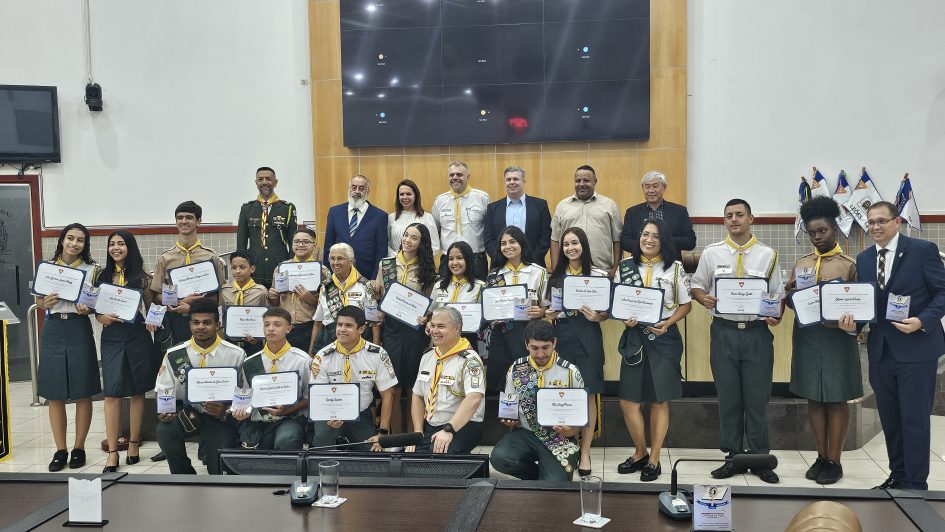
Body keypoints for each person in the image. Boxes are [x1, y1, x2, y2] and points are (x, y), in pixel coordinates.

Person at [839, 201, 945, 491]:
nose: (875, 227)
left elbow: (942, 293)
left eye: (881, 221)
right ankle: (897, 476)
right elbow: (867, 303)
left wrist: (923, 321)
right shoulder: (863, 259)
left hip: (917, 349)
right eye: (871, 222)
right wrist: (853, 327)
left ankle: (915, 484)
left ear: (897, 222)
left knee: (914, 420)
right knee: (891, 420)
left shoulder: (922, 251)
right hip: (882, 351)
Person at [690, 199, 783, 484]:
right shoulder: (711, 253)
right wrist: (701, 297)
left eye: (739, 215)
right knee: (729, 398)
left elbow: (777, 295)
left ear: (751, 218)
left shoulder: (768, 255)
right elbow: (696, 285)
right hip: (724, 332)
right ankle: (732, 457)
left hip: (756, 334)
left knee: (756, 399)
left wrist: (775, 315)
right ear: (724, 221)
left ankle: (759, 458)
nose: (734, 219)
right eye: (729, 215)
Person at [785, 196, 862, 485]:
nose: (817, 237)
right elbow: (790, 296)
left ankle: (835, 461)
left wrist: (850, 319)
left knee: (836, 398)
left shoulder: (849, 264)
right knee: (814, 398)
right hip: (807, 337)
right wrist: (794, 298)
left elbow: (862, 303)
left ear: (834, 229)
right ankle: (820, 456)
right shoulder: (802, 262)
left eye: (823, 231)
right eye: (812, 233)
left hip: (837, 339)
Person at [614, 218, 691, 482]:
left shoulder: (675, 269)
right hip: (635, 338)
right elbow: (617, 301)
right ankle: (639, 452)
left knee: (659, 400)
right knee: (628, 401)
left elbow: (685, 304)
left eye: (655, 236)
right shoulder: (625, 267)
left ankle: (655, 458)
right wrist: (624, 317)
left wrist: (668, 322)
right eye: (644, 234)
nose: (648, 240)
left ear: (663, 241)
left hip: (664, 339)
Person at [35, 223, 101, 472]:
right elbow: (39, 300)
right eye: (70, 238)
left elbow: (96, 301)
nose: (74, 243)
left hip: (78, 327)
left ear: (86, 244)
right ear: (62, 240)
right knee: (55, 392)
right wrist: (44, 302)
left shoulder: (93, 270)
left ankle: (79, 447)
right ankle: (60, 449)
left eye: (80, 240)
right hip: (53, 328)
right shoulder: (47, 268)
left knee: (83, 390)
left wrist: (90, 308)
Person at [154, 298, 247, 475]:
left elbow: (245, 395)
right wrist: (163, 410)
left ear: (218, 324)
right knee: (165, 431)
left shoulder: (235, 354)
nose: (200, 327)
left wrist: (227, 409)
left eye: (207, 322)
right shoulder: (175, 354)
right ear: (189, 325)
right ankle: (184, 476)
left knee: (217, 472)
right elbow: (163, 388)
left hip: (221, 416)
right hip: (189, 412)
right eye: (195, 323)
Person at [544, 227, 606, 477]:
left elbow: (607, 312)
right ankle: (566, 444)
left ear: (584, 245)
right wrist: (549, 314)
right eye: (566, 244)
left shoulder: (599, 275)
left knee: (588, 393)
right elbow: (549, 307)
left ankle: (585, 451)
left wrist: (599, 316)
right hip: (564, 338)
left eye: (575, 243)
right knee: (564, 392)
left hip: (588, 338)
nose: (571, 248)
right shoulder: (556, 277)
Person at [490, 320, 586, 481]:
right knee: (500, 458)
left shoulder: (570, 372)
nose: (540, 354)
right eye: (534, 348)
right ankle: (539, 477)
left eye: (545, 347)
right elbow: (509, 405)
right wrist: (508, 419)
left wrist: (571, 431)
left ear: (554, 342)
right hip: (526, 433)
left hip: (559, 437)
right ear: (526, 344)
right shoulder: (516, 369)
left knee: (555, 483)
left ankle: (549, 476)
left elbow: (579, 417)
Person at [95, 231, 158, 473]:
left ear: (129, 247)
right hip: (111, 336)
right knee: (111, 393)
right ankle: (112, 451)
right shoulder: (102, 276)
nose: (116, 248)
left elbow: (154, 307)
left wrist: (154, 319)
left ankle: (133, 444)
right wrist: (101, 316)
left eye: (121, 243)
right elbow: (93, 308)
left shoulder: (142, 276)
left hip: (137, 335)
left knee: (137, 390)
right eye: (112, 244)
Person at [375, 223, 438, 432]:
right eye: (405, 235)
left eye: (414, 237)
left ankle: (413, 437)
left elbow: (429, 305)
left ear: (422, 243)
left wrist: (426, 317)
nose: (407, 240)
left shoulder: (427, 268)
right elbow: (379, 296)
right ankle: (394, 439)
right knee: (392, 386)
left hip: (415, 332)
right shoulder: (386, 264)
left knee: (413, 387)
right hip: (391, 330)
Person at [310, 306, 398, 449]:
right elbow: (318, 395)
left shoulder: (377, 354)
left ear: (361, 329)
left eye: (348, 325)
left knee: (370, 453)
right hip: (329, 413)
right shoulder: (322, 356)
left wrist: (382, 433)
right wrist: (330, 415)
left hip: (361, 414)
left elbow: (388, 394)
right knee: (322, 444)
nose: (342, 329)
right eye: (339, 324)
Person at [408, 307, 485, 453]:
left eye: (441, 326)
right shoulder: (428, 356)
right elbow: (417, 395)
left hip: (463, 425)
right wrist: (417, 432)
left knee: (441, 458)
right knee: (410, 460)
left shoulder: (470, 360)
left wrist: (449, 430)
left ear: (457, 329)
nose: (434, 330)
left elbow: (474, 398)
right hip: (431, 424)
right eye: (433, 325)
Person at [234, 307, 311, 450]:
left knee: (287, 440)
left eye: (277, 324)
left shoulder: (302, 360)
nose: (271, 329)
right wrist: (240, 411)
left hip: (290, 418)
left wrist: (286, 411)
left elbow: (309, 396)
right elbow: (244, 397)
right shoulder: (250, 362)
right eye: (267, 324)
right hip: (259, 419)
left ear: (288, 329)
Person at [150, 201, 226, 345]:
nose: (184, 221)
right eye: (180, 218)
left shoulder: (211, 257)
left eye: (189, 217)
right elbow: (156, 295)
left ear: (199, 221)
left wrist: (194, 307)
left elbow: (220, 294)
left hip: (204, 321)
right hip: (175, 321)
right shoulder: (165, 258)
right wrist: (180, 302)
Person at [485, 226, 547, 394]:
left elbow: (546, 304)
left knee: (526, 381)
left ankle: (526, 420)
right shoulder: (494, 275)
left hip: (527, 334)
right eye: (503, 243)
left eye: (512, 242)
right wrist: (492, 317)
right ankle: (506, 419)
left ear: (522, 244)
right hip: (501, 334)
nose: (508, 246)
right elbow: (489, 307)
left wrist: (541, 312)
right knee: (500, 381)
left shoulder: (538, 272)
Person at [550, 165, 623, 278]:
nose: (581, 184)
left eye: (586, 180)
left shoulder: (609, 205)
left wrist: (616, 268)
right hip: (569, 272)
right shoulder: (562, 206)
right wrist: (556, 270)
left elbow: (617, 239)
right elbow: (555, 239)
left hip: (602, 271)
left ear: (595, 182)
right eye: (578, 181)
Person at [310, 243, 380, 352]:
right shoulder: (326, 287)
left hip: (359, 344)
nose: (335, 263)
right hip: (330, 342)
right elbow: (318, 322)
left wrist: (376, 350)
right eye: (332, 259)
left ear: (351, 261)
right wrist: (311, 352)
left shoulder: (365, 285)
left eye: (340, 258)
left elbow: (374, 323)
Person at [236, 166, 298, 287]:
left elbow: (292, 242)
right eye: (260, 179)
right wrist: (242, 267)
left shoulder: (288, 208)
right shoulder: (247, 209)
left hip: (280, 267)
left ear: (275, 182)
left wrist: (291, 266)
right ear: (256, 183)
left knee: (279, 303)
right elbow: (241, 243)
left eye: (268, 179)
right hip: (255, 268)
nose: (264, 182)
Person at [431, 161, 490, 280]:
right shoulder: (440, 201)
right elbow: (435, 230)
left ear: (468, 177)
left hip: (476, 260)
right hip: (449, 261)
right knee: (447, 296)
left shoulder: (482, 198)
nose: (455, 178)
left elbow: (490, 230)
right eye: (451, 175)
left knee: (477, 296)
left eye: (459, 175)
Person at [484, 166, 552, 267]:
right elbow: (488, 239)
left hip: (533, 265)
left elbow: (545, 236)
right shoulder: (492, 208)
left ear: (523, 182)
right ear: (505, 182)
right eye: (508, 179)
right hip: (501, 266)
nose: (512, 182)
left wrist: (530, 259)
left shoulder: (540, 205)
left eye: (516, 179)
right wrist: (502, 259)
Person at [323, 174, 388, 279]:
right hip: (338, 274)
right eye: (354, 187)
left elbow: (381, 251)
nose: (357, 191)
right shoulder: (334, 212)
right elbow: (328, 245)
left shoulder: (380, 216)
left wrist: (375, 277)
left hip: (366, 275)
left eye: (361, 188)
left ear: (368, 191)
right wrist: (328, 276)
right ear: (349, 189)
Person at [267, 227, 319, 351]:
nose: (300, 245)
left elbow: (327, 307)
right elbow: (276, 304)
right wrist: (273, 297)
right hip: (285, 325)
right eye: (296, 242)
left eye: (306, 242)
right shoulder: (281, 268)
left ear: (314, 245)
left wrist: (311, 300)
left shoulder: (321, 271)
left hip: (310, 326)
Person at [619, 170, 696, 254]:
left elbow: (690, 242)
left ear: (664, 187)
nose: (651, 190)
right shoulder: (632, 212)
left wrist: (663, 241)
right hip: (640, 263)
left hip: (670, 263)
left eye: (655, 186)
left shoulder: (680, 211)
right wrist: (647, 244)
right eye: (647, 187)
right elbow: (625, 242)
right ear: (643, 188)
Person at [429, 241, 486, 350]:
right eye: (451, 259)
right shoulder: (439, 285)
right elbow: (430, 313)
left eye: (459, 258)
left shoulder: (480, 287)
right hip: (440, 342)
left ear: (468, 260)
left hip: (468, 342)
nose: (454, 263)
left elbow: (484, 320)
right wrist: (428, 323)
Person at [219, 250, 270, 355]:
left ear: (252, 268)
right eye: (234, 267)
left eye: (242, 267)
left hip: (254, 343)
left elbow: (267, 317)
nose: (237, 271)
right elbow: (221, 315)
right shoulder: (224, 290)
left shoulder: (261, 291)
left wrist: (259, 337)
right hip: (230, 342)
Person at [387, 178, 440, 258]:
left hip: (418, 265)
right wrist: (399, 258)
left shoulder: (427, 217)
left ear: (416, 196)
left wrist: (415, 260)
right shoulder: (391, 218)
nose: (405, 197)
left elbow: (434, 246)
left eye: (408, 194)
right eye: (401, 194)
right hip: (396, 263)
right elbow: (386, 244)